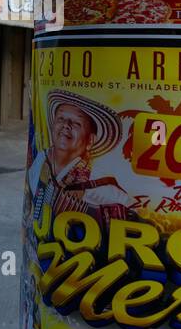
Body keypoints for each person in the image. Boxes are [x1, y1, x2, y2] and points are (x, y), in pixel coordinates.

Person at [25, 90, 131, 232]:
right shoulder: (41, 159)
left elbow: (132, 213)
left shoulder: (97, 182)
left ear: (90, 140)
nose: (66, 125)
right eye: (61, 119)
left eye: (76, 123)